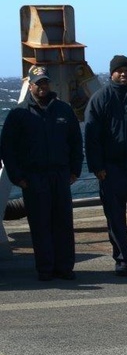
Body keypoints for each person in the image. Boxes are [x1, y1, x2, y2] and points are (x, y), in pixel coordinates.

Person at [1, 65, 83, 281]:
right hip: (34, 178)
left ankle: (65, 268)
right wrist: (17, 177)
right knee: (40, 225)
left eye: (45, 82)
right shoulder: (19, 114)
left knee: (63, 224)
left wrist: (75, 171)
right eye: (38, 83)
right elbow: (7, 148)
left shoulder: (63, 110)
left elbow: (76, 142)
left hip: (60, 176)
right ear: (30, 85)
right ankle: (45, 269)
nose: (43, 87)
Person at [84, 55, 127, 276]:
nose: (123, 74)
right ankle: (122, 260)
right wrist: (97, 167)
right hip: (111, 169)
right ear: (111, 73)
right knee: (115, 218)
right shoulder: (100, 99)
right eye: (119, 70)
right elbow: (91, 136)